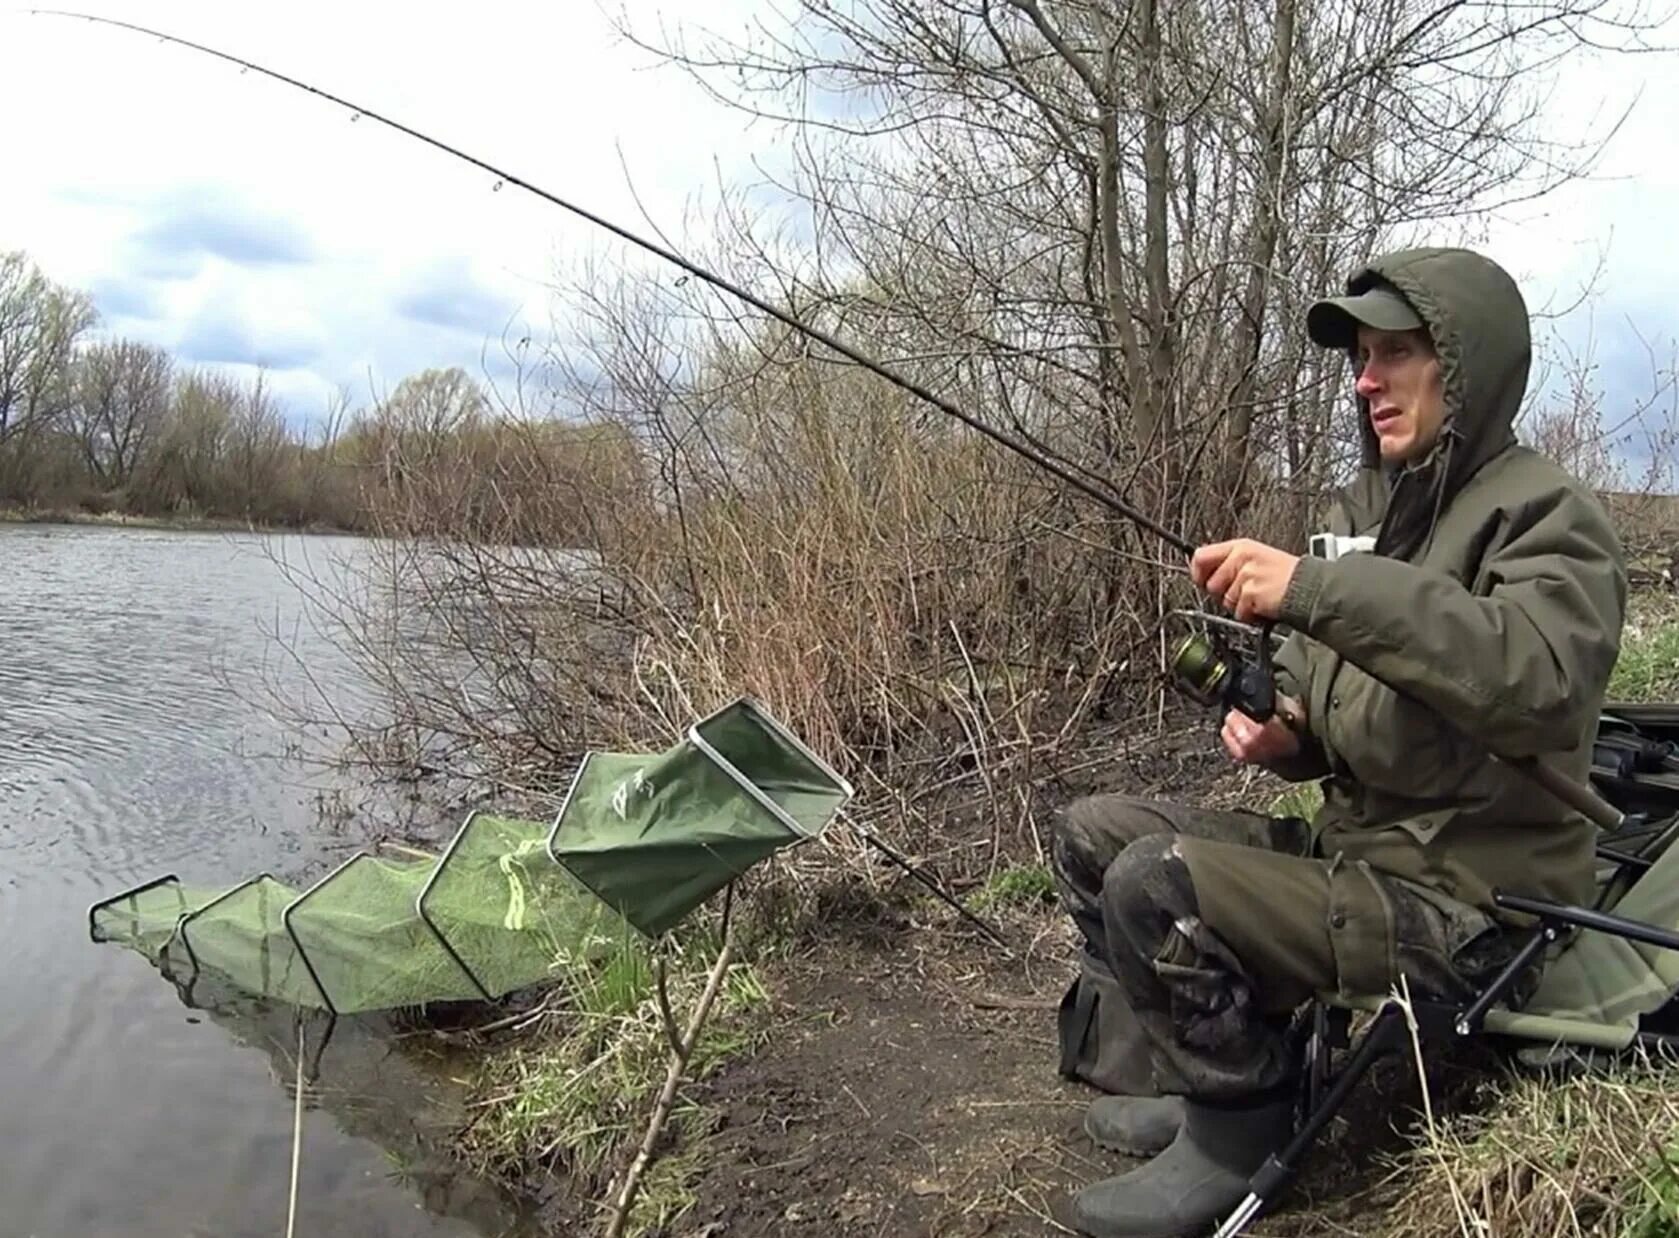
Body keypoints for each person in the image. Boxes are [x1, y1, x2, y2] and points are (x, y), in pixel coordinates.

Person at [1052, 247, 1628, 1238]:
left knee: (1158, 879)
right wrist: (1291, 738)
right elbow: (1361, 712)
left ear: (1467, 365)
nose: (1366, 381)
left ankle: (1234, 1140)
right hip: (1360, 860)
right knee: (1092, 831)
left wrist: (1315, 590)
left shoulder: (1543, 513)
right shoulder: (1370, 512)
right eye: (1360, 356)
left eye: (1396, 352)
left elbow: (1530, 681)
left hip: (1472, 907)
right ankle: (1198, 1080)